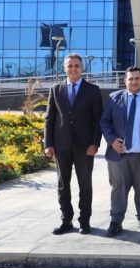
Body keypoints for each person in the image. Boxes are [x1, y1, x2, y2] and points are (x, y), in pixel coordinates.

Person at [44, 53, 103, 235]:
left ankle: (84, 221)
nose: (73, 69)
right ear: (64, 68)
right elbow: (49, 119)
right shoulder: (56, 89)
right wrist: (48, 144)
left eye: (76, 65)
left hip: (85, 146)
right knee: (63, 185)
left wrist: (95, 143)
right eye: (70, 66)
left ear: (82, 68)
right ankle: (66, 220)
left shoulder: (93, 90)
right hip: (61, 145)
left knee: (85, 185)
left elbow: (98, 120)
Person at [99, 66, 140, 237]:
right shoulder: (114, 98)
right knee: (118, 188)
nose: (134, 82)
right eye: (130, 79)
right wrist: (111, 140)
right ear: (125, 81)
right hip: (118, 155)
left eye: (137, 78)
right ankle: (116, 221)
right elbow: (104, 121)